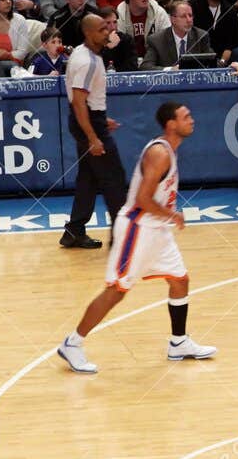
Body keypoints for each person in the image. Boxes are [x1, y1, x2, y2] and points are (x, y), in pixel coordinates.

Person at [56, 102, 215, 373]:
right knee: (117, 290)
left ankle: (178, 342)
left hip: (157, 230)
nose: (192, 120)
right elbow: (142, 200)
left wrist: (166, 218)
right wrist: (171, 215)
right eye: (186, 117)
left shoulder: (170, 150)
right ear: (171, 124)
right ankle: (73, 343)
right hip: (138, 228)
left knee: (180, 280)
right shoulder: (159, 153)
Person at [58, 15, 126, 249]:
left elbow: (84, 101)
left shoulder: (85, 53)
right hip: (88, 124)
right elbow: (78, 102)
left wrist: (100, 117)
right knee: (114, 179)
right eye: (101, 29)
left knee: (88, 179)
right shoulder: (87, 61)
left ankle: (74, 231)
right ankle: (122, 236)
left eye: (107, 28)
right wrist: (93, 136)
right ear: (89, 34)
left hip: (90, 119)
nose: (107, 32)